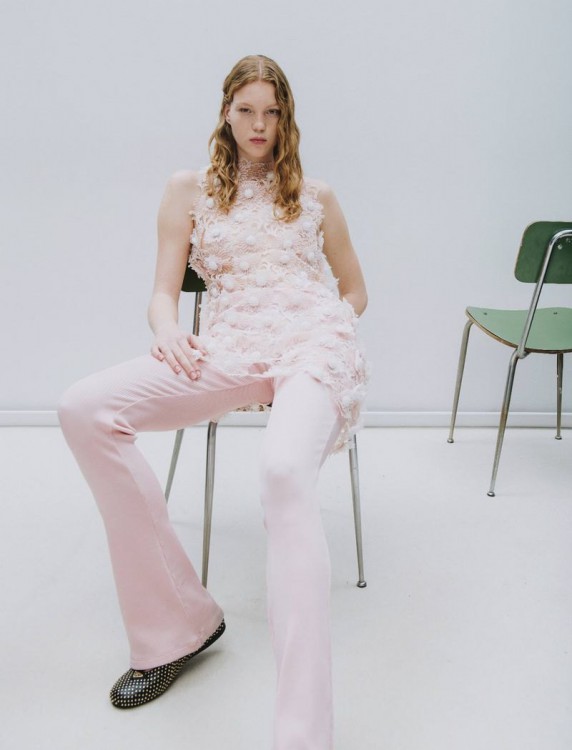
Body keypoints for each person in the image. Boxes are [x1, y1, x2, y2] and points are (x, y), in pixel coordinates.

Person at [58, 53, 369, 750]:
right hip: (228, 347)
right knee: (84, 408)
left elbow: (355, 290)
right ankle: (176, 625)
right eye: (246, 111)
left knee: (283, 473)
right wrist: (168, 331)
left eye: (272, 113)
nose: (259, 125)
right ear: (225, 112)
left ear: (286, 118)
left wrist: (330, 329)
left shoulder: (316, 194)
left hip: (311, 347)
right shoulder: (188, 189)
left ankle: (302, 737)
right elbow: (163, 291)